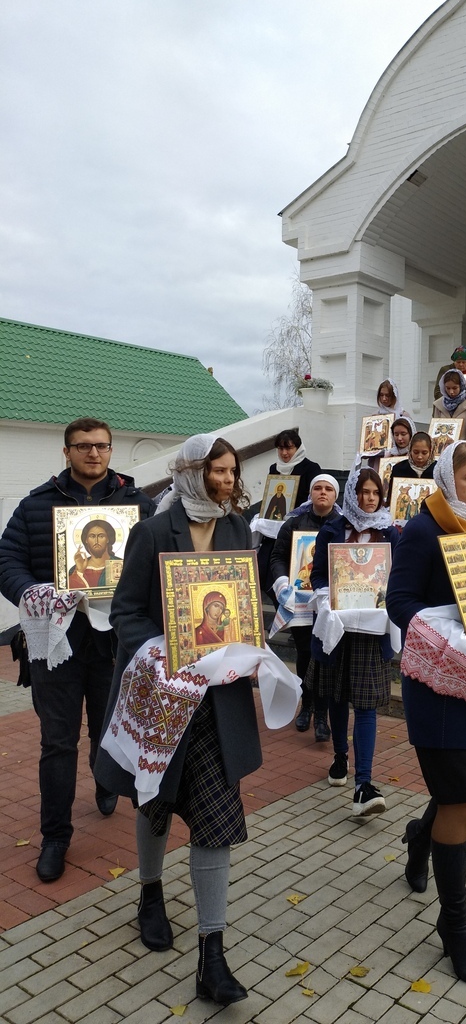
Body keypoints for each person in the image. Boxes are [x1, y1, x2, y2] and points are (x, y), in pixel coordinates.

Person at [94, 434, 259, 1005]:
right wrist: (166, 654)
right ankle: (150, 891)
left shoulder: (238, 529)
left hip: (216, 705)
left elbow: (241, 605)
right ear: (191, 472)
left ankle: (212, 957)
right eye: (217, 471)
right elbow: (126, 613)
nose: (228, 481)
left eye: (233, 472)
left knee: (215, 819)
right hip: (164, 704)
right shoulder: (151, 532)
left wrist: (253, 640)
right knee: (155, 803)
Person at [0, 418, 155, 883]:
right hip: (55, 644)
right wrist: (34, 592)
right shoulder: (36, 505)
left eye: (102, 446)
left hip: (114, 643)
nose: (93, 453)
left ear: (112, 451)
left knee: (109, 728)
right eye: (83, 446)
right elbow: (7, 560)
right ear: (65, 452)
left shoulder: (137, 504)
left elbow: (161, 561)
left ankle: (106, 779)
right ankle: (55, 837)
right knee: (58, 740)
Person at [386, 442, 466, 988]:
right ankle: (454, 924)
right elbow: (400, 601)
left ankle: (419, 837)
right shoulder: (422, 530)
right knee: (460, 796)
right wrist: (445, 634)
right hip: (436, 680)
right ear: (447, 479)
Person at [310, 466, 399, 816]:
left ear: (382, 497)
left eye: (375, 493)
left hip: (370, 632)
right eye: (363, 492)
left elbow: (397, 577)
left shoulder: (390, 534)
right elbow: (319, 573)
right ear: (353, 494)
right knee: (336, 694)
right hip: (339, 626)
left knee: (364, 705)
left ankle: (364, 782)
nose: (368, 498)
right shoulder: (334, 528)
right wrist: (325, 596)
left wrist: (388, 598)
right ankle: (339, 757)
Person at [268, 474, 342, 741]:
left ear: (336, 495)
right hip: (299, 598)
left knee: (325, 655)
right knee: (303, 653)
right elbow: (277, 557)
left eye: (328, 489)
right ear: (310, 493)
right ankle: (306, 704)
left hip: (329, 602)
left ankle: (322, 714)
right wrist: (283, 582)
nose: (322, 492)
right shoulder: (294, 524)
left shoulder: (342, 525)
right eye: (317, 488)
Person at [267, 429, 322, 500]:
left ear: (298, 449)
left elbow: (316, 496)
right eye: (281, 448)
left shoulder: (311, 468)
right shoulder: (274, 468)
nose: (284, 453)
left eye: (288, 448)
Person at [67, 518, 122, 589]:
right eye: (92, 536)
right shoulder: (75, 570)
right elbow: (73, 594)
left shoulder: (120, 565)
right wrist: (80, 572)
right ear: (86, 540)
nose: (96, 541)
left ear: (108, 539)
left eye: (101, 536)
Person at [432, 369, 466, 443]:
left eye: (455, 388)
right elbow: (434, 433)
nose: (451, 392)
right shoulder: (438, 404)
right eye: (448, 388)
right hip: (441, 451)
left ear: (461, 386)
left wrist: (460, 449)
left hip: (462, 452)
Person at [387, 431, 435, 502]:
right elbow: (391, 499)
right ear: (410, 450)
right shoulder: (399, 469)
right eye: (415, 452)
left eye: (424, 453)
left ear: (431, 452)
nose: (419, 457)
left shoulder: (437, 470)